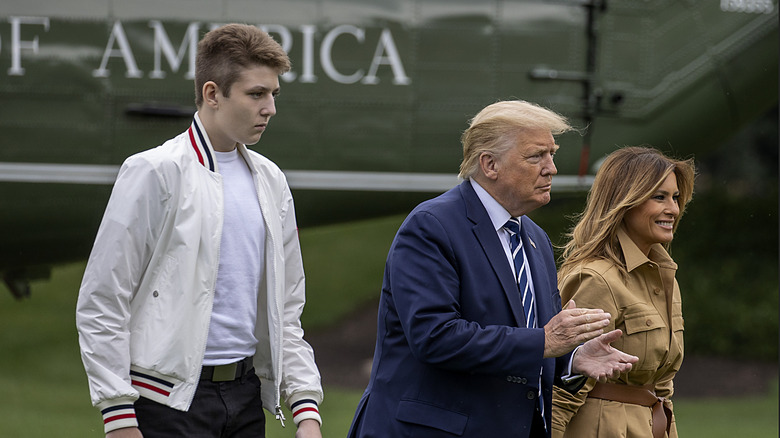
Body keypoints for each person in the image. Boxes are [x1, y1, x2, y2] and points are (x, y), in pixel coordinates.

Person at [76, 24, 323, 438]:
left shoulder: (271, 181)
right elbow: (103, 300)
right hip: (166, 403)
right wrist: (117, 415)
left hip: (246, 398)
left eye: (273, 95)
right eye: (256, 94)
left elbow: (286, 309)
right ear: (212, 94)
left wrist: (306, 409)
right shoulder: (154, 171)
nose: (270, 109)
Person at [347, 100, 638, 438]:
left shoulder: (534, 238)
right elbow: (435, 337)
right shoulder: (432, 226)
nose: (551, 168)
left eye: (552, 154)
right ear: (489, 164)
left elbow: (529, 340)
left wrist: (571, 360)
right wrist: (544, 342)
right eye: (536, 156)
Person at [551, 146, 695, 438]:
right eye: (660, 197)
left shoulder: (665, 275)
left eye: (676, 197)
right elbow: (563, 385)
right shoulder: (595, 278)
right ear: (625, 202)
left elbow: (661, 385)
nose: (673, 209)